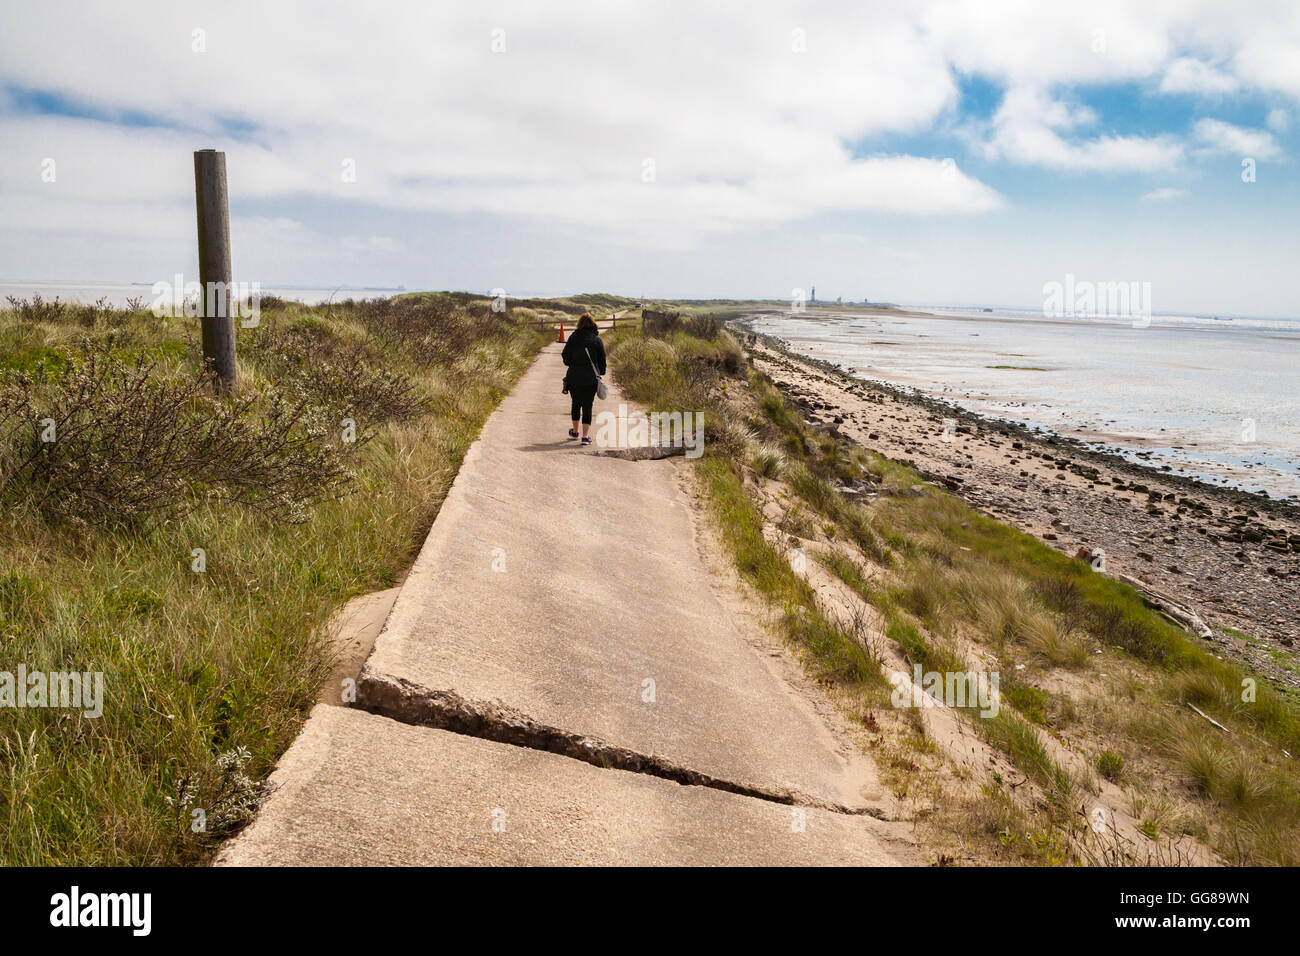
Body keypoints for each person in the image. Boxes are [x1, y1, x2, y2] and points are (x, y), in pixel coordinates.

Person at [561, 312, 606, 445]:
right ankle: (585, 437)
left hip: (574, 376)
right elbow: (602, 359)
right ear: (593, 324)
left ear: (579, 324)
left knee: (575, 403)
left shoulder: (573, 337)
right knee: (588, 405)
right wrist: (600, 372)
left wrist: (572, 363)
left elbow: (565, 356)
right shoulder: (596, 339)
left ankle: (575, 432)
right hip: (591, 378)